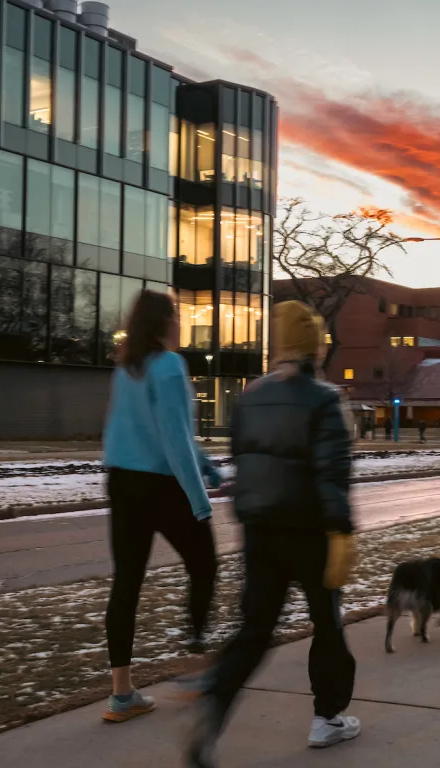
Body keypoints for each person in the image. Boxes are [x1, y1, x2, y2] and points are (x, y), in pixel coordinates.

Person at [186, 301, 358, 766]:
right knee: (327, 624)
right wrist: (342, 528)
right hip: (310, 532)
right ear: (314, 346)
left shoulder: (250, 396)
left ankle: (216, 704)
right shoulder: (325, 400)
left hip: (261, 532)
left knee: (255, 629)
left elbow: (242, 462)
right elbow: (332, 473)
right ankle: (327, 718)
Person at [100, 290, 224, 724]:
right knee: (205, 565)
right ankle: (196, 669)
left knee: (126, 584)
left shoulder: (126, 368)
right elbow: (174, 437)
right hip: (162, 486)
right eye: (177, 315)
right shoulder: (170, 365)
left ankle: (121, 695)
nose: (181, 322)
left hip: (122, 481)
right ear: (163, 323)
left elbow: (166, 434)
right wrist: (200, 499)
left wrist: (208, 467)